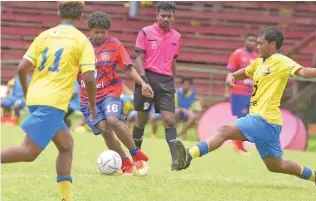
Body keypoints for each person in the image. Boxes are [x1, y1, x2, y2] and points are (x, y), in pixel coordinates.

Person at [174, 27, 316, 190]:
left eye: (261, 43)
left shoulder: (282, 61)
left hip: (265, 120)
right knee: (276, 165)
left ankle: (188, 155)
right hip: (269, 123)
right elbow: (244, 73)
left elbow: (304, 71)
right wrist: (232, 76)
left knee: (224, 130)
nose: (257, 46)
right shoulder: (259, 62)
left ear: (272, 44)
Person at [1, 2, 97, 201]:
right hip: (53, 102)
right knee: (28, 152)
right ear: (81, 17)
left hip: (37, 97)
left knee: (66, 145)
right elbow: (89, 78)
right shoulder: (82, 41)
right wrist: (93, 105)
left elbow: (21, 68)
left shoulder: (44, 35)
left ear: (58, 13)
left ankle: (66, 197)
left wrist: (28, 93)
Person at [77, 11, 153, 176]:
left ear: (108, 31)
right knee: (104, 129)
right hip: (87, 98)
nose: (99, 35)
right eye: (96, 31)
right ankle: (125, 162)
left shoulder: (115, 45)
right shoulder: (80, 47)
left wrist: (143, 83)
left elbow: (128, 67)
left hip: (109, 92)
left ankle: (136, 155)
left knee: (112, 120)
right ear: (90, 30)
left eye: (103, 32)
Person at [133, 1, 182, 170]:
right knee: (141, 121)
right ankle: (135, 156)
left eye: (169, 16)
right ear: (157, 15)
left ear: (173, 16)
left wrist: (173, 81)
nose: (166, 19)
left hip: (166, 81)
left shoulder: (177, 37)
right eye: (163, 15)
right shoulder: (145, 32)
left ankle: (177, 160)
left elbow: (174, 61)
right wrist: (143, 80)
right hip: (147, 78)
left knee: (169, 120)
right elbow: (138, 58)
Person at [225, 33, 258, 154]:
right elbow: (230, 73)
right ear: (244, 41)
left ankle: (239, 144)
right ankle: (237, 145)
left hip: (253, 92)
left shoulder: (258, 57)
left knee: (250, 118)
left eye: (254, 41)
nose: (252, 43)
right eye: (250, 40)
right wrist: (227, 90)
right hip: (239, 91)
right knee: (241, 118)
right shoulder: (237, 54)